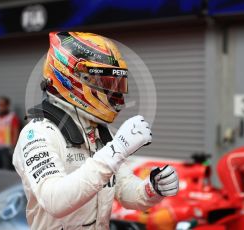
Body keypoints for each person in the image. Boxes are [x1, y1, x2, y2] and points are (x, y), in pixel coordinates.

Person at [13, 32, 179, 229]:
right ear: (72, 78)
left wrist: (153, 188)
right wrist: (116, 150)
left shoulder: (97, 131)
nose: (113, 92)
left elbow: (125, 191)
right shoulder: (37, 133)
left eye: (115, 83)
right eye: (105, 83)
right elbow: (54, 201)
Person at [0, 96, 20, 169]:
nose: (1, 107)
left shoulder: (12, 117)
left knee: (6, 169)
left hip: (6, 149)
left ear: (7, 105)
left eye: (2, 105)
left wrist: (13, 147)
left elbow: (16, 132)